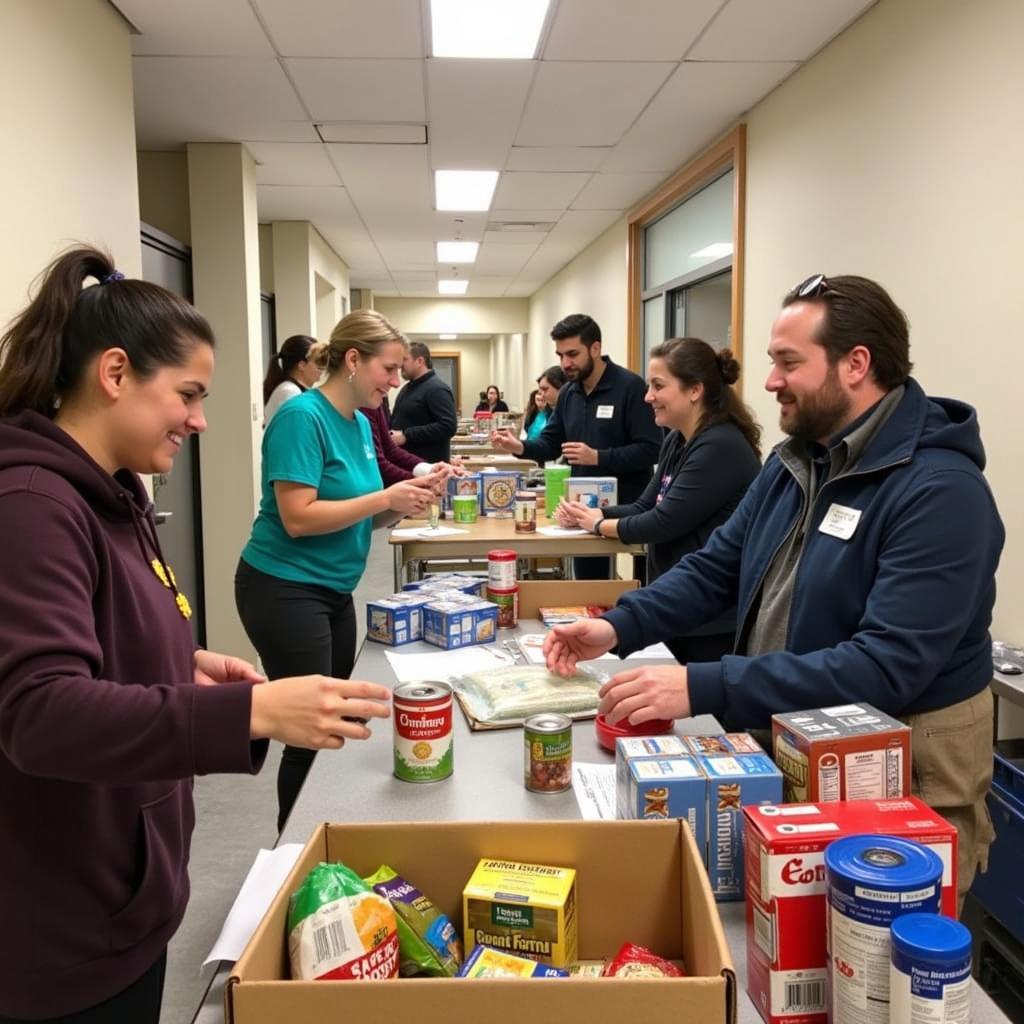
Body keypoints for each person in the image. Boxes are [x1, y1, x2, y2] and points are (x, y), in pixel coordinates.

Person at [0, 247, 391, 1024]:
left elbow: (98, 632)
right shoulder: (31, 506)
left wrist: (181, 659)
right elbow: (38, 714)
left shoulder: (115, 492)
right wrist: (250, 714)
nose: (201, 419)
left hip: (120, 898)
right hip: (60, 932)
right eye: (187, 394)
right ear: (115, 373)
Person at [545, 274, 1004, 899]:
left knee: (882, 958)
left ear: (855, 365)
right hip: (794, 729)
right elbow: (716, 567)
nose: (768, 382)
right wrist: (620, 625)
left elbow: (886, 666)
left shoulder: (940, 491)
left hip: (904, 765)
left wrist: (703, 685)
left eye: (789, 363)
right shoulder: (795, 462)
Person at [236, 310, 443, 832]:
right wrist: (385, 496)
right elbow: (299, 517)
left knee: (342, 720)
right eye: (389, 369)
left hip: (331, 587)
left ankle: (326, 832)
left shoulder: (356, 424)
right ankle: (296, 851)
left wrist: (406, 504)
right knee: (315, 729)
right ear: (353, 360)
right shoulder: (302, 417)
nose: (395, 382)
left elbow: (362, 516)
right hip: (283, 585)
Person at [555, 338, 761, 663]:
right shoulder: (677, 440)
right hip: (677, 606)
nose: (648, 396)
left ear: (695, 389)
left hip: (711, 619)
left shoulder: (721, 446)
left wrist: (598, 523)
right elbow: (644, 505)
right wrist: (595, 513)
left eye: (658, 386)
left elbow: (662, 522)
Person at [492, 314, 662, 579]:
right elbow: (551, 444)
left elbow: (652, 448)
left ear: (595, 348)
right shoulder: (570, 393)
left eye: (572, 354)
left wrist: (598, 457)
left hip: (631, 507)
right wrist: (519, 446)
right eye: (560, 355)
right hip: (583, 505)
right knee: (589, 584)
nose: (565, 363)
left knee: (642, 584)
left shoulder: (630, 387)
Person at [390, 340, 457, 464]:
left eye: (405, 359)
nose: (400, 365)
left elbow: (448, 426)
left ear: (420, 361)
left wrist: (406, 435)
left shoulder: (437, 389)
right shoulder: (407, 388)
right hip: (407, 466)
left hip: (429, 468)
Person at [262, 333, 323, 425]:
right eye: (318, 362)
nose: (322, 368)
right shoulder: (289, 392)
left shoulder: (291, 390)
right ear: (302, 365)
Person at [522, 365, 567, 441]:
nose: (542, 395)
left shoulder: (571, 413)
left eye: (545, 390)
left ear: (561, 387)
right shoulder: (554, 412)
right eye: (539, 392)